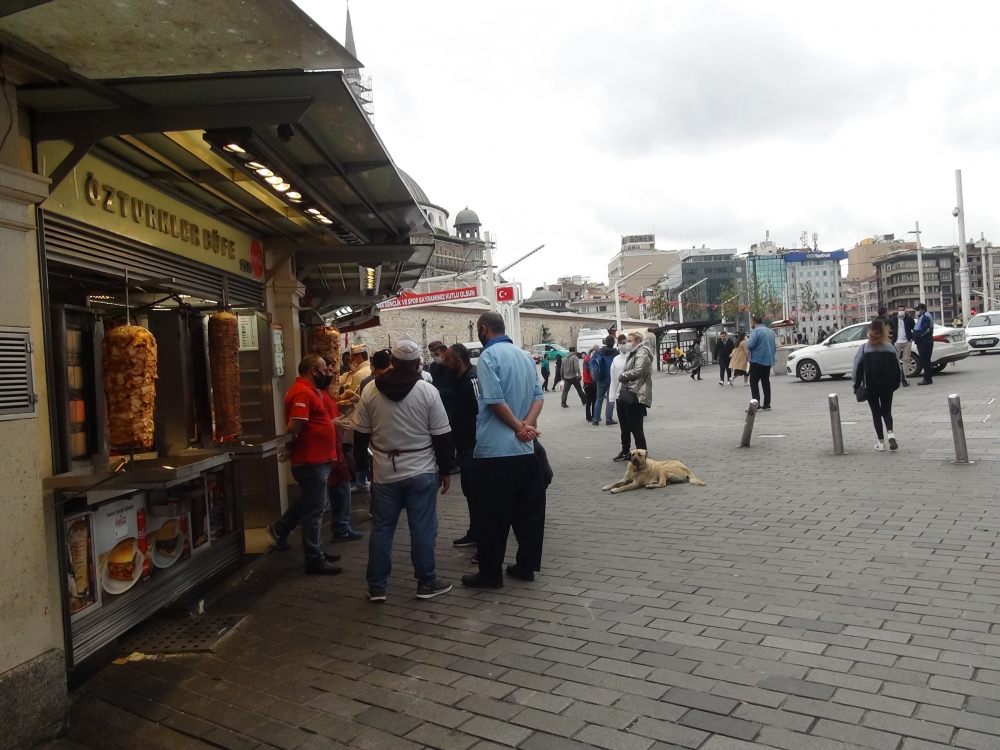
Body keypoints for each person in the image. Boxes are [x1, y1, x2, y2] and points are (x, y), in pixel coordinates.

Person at [351, 336, 454, 602]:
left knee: (383, 529)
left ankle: (377, 587)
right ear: (418, 363)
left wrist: (361, 469)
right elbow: (442, 436)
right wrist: (445, 470)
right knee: (422, 528)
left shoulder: (370, 390)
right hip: (421, 468)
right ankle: (426, 582)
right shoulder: (428, 391)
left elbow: (360, 434)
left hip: (384, 471)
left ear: (393, 362)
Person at [463, 312, 546, 589]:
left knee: (492, 517)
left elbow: (495, 401)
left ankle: (490, 574)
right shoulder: (523, 355)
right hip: (525, 450)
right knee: (529, 514)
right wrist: (527, 427)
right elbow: (538, 396)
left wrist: (516, 427)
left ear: (483, 329)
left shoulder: (488, 357)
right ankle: (525, 566)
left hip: (495, 452)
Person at [266, 355, 342, 575]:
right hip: (311, 460)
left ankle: (313, 547)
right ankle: (314, 558)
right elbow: (294, 426)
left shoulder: (309, 391)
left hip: (317, 459)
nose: (328, 373)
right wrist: (289, 449)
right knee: (315, 510)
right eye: (323, 369)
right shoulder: (302, 392)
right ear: (313, 371)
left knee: (309, 503)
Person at [320, 357, 363, 543]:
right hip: (322, 452)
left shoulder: (323, 393)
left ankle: (341, 527)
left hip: (333, 448)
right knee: (314, 499)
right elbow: (304, 425)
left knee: (340, 487)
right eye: (328, 371)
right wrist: (332, 423)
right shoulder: (307, 394)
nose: (330, 375)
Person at [442, 343, 480, 548]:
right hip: (464, 445)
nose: (443, 363)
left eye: (447, 359)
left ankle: (483, 537)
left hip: (474, 446)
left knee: (477, 493)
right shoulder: (457, 379)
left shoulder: (472, 379)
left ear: (458, 361)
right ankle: (475, 531)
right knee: (469, 490)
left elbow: (480, 411)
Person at [853, 318, 901, 452]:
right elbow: (898, 367)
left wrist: (856, 386)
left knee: (876, 412)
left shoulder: (864, 348)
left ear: (870, 331)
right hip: (888, 385)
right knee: (887, 410)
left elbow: (857, 368)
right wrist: (896, 383)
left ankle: (881, 442)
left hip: (871, 385)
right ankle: (890, 432)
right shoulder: (891, 348)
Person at [618, 330, 652, 452]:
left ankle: (642, 453)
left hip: (638, 393)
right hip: (632, 391)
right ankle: (636, 452)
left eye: (629, 341)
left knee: (635, 427)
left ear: (637, 341)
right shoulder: (633, 353)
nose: (626, 343)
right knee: (631, 426)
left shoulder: (641, 352)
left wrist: (622, 376)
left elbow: (638, 370)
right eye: (626, 341)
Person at [746, 315, 776, 410]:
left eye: (751, 323)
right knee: (765, 381)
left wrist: (747, 342)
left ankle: (756, 403)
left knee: (753, 382)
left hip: (757, 360)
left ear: (754, 322)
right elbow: (774, 346)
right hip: (768, 360)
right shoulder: (770, 331)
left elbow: (750, 345)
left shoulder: (755, 331)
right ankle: (767, 404)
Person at [609, 337, 632, 461]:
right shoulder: (616, 360)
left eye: (625, 343)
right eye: (621, 343)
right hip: (619, 396)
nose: (624, 345)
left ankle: (640, 450)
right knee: (624, 427)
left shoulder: (632, 357)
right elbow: (612, 380)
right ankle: (625, 450)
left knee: (634, 426)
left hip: (631, 395)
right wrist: (612, 398)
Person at [592, 336, 617, 426]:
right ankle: (609, 419)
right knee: (611, 398)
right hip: (611, 378)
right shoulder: (616, 353)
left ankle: (596, 419)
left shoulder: (599, 352)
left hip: (600, 378)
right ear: (613, 343)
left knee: (599, 399)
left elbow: (592, 363)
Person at [913, 302, 936, 385]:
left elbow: (926, 330)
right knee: (925, 360)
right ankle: (927, 378)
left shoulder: (926, 317)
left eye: (918, 310)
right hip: (924, 341)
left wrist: (917, 336)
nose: (917, 312)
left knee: (925, 360)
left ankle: (927, 379)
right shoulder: (923, 316)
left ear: (922, 309)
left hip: (925, 342)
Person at [893, 306, 914, 388]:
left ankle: (905, 376)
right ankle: (897, 377)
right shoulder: (893, 320)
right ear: (897, 311)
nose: (901, 312)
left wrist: (912, 338)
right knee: (895, 360)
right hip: (897, 342)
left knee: (906, 359)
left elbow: (913, 328)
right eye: (899, 310)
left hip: (907, 342)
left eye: (902, 310)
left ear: (905, 311)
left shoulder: (909, 319)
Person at [582, 346, 597, 422]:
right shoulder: (586, 360)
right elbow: (589, 369)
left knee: (594, 400)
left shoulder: (595, 360)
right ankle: (588, 416)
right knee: (589, 401)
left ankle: (595, 415)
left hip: (594, 383)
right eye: (592, 353)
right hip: (588, 383)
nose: (593, 354)